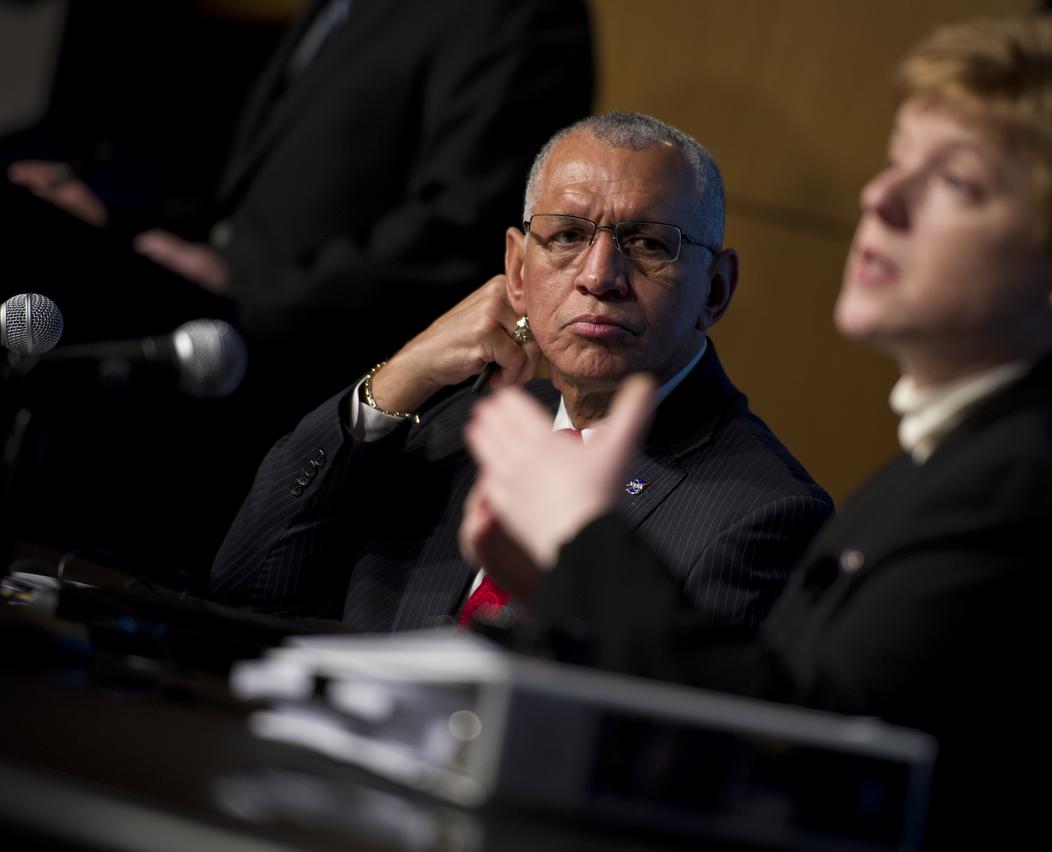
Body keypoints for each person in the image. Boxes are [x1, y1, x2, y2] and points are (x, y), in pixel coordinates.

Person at [459, 15, 1052, 848]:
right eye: (897, 164)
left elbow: (801, 762)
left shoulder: (1039, 490)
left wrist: (584, 547)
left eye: (955, 183)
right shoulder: (946, 469)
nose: (879, 198)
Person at [3, 0, 595, 577]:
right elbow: (253, 214)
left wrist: (247, 284)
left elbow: (457, 230)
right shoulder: (338, 8)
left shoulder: (515, 12)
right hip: (223, 378)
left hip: (330, 403)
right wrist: (111, 222)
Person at [209, 112, 833, 632]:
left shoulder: (765, 516)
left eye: (646, 243)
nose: (598, 277)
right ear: (516, 268)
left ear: (715, 291)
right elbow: (246, 592)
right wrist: (394, 382)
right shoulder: (459, 425)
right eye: (566, 236)